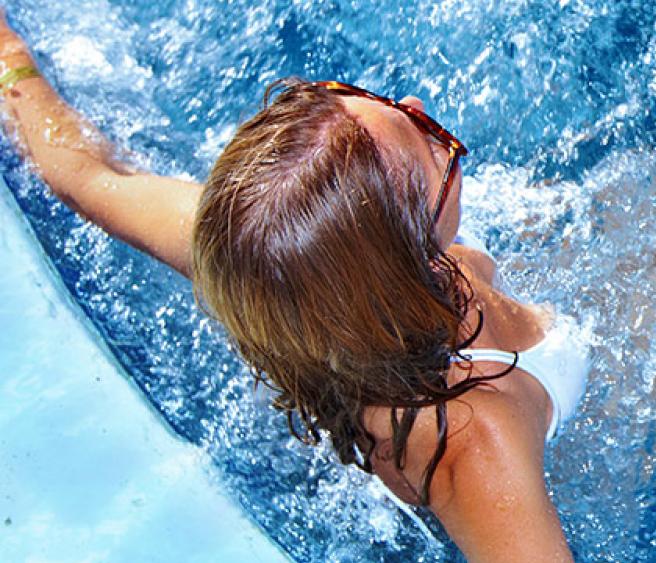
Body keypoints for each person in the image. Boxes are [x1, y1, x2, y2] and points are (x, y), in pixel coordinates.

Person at [0, 13, 590, 562]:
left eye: (384, 106)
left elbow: (88, 175)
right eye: (437, 145)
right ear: (399, 268)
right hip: (560, 445)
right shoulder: (475, 438)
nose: (414, 103)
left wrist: (10, 52)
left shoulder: (256, 263)